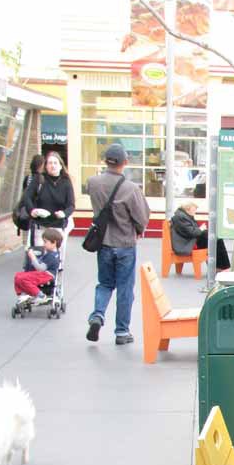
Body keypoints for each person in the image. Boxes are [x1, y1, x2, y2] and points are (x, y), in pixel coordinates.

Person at [86, 143, 150, 346]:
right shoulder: (130, 189)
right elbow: (142, 216)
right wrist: (139, 229)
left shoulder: (93, 182)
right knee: (125, 288)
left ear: (105, 161)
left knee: (104, 283)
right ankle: (122, 332)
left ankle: (97, 315)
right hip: (125, 243)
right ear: (125, 163)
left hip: (103, 241)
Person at [170, 201, 230, 270]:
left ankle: (219, 267)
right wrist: (201, 229)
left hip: (189, 241)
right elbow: (192, 232)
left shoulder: (183, 216)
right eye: (194, 210)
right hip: (187, 244)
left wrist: (201, 229)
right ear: (187, 209)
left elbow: (191, 230)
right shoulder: (181, 217)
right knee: (215, 240)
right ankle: (223, 267)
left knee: (215, 239)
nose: (195, 212)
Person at [23, 151, 74, 231]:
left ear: (61, 166)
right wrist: (32, 210)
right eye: (50, 163)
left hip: (58, 227)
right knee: (38, 244)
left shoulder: (66, 182)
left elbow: (71, 205)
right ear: (46, 166)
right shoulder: (39, 179)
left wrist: (64, 213)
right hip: (39, 226)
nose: (53, 165)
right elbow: (27, 197)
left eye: (55, 163)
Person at [13, 227, 62, 301]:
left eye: (45, 242)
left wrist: (32, 257)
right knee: (18, 276)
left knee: (22, 278)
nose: (43, 244)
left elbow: (40, 268)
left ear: (54, 242)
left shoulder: (52, 256)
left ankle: (40, 295)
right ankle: (24, 292)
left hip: (47, 275)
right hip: (43, 274)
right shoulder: (50, 252)